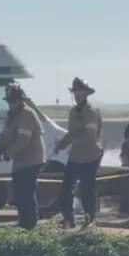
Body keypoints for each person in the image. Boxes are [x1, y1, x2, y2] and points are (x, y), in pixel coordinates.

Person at [0, 82, 46, 230]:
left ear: (21, 100)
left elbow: (23, 139)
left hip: (32, 160)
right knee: (19, 194)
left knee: (26, 193)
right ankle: (24, 222)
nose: (11, 104)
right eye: (9, 101)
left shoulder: (27, 114)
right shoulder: (11, 116)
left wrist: (8, 153)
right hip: (20, 161)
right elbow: (4, 136)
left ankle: (30, 224)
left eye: (13, 101)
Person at [54, 77, 103, 229]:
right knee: (66, 187)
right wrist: (62, 144)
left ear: (86, 94)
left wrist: (72, 141)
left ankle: (90, 217)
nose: (77, 95)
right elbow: (71, 133)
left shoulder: (91, 112)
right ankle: (68, 218)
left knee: (87, 188)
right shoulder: (73, 112)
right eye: (75, 93)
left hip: (90, 156)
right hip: (75, 155)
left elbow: (90, 136)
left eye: (80, 92)